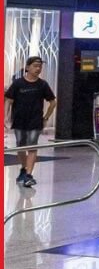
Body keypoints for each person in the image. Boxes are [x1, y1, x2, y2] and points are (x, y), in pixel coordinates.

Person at [4, 56, 57, 187]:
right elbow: (9, 100)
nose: (38, 69)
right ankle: (24, 169)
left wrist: (46, 117)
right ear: (27, 67)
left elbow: (53, 102)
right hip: (19, 120)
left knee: (32, 146)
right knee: (21, 145)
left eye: (40, 67)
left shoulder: (42, 84)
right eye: (35, 66)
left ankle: (28, 175)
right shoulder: (18, 83)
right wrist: (5, 116)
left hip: (35, 120)